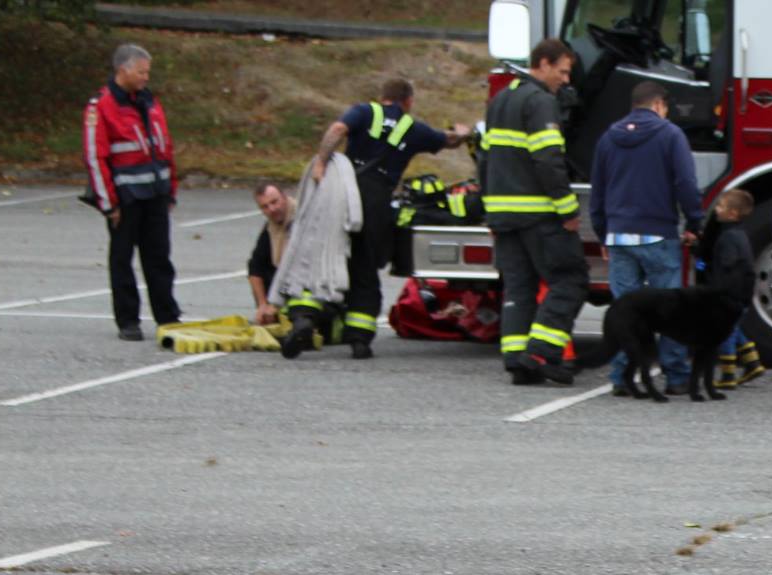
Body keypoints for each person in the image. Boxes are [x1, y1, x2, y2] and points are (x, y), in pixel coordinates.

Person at [308, 77, 472, 358]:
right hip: (377, 202)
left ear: (382, 96)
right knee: (365, 266)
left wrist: (322, 162)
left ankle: (306, 319)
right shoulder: (413, 129)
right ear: (408, 101)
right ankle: (359, 337)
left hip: (345, 194)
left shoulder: (363, 112)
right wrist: (462, 132)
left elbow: (337, 129)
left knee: (325, 256)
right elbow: (448, 140)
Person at [482, 38, 586, 385]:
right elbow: (548, 159)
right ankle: (542, 353)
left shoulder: (500, 100)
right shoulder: (540, 102)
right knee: (569, 280)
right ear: (542, 63)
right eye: (562, 71)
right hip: (539, 215)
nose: (566, 80)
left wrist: (489, 211)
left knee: (519, 288)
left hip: (503, 214)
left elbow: (485, 159)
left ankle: (516, 359)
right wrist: (567, 208)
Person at [591, 82, 706, 394]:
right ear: (659, 105)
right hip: (658, 234)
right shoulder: (670, 135)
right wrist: (695, 221)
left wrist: (604, 233)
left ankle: (621, 377)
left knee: (625, 311)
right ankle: (677, 376)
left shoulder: (608, 138)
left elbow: (598, 191)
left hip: (618, 236)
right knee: (670, 312)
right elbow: (685, 182)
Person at [83, 43, 181, 342]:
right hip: (125, 198)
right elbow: (94, 157)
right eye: (141, 72)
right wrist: (108, 202)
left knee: (159, 257)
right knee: (122, 259)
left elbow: (164, 145)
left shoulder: (149, 101)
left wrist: (170, 189)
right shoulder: (101, 107)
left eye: (147, 72)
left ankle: (168, 316)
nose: (145, 77)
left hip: (155, 193)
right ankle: (128, 320)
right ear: (122, 70)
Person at [704, 188, 767, 390]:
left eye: (721, 206)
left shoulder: (728, 237)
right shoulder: (741, 234)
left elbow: (728, 265)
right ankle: (752, 363)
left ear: (732, 213)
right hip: (742, 294)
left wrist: (718, 289)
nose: (716, 210)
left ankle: (728, 374)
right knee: (735, 328)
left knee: (726, 332)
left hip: (730, 294)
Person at [245, 179, 295, 326]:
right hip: (284, 287)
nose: (271, 209)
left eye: (274, 202)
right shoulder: (270, 228)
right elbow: (255, 267)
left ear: (285, 197)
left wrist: (276, 304)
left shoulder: (302, 220)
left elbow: (299, 269)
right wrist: (262, 304)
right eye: (265, 207)